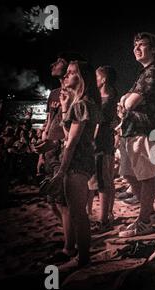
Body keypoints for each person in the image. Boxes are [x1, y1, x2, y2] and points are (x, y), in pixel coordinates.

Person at [117, 32, 155, 237]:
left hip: (146, 129)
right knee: (129, 173)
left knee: (146, 176)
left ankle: (145, 220)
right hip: (133, 129)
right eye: (134, 45)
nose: (136, 48)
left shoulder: (153, 71)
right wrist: (125, 101)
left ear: (154, 49)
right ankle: (150, 212)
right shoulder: (144, 73)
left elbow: (128, 103)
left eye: (141, 45)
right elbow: (125, 100)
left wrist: (126, 101)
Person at [51, 60, 101, 269]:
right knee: (75, 210)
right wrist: (64, 108)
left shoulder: (82, 104)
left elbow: (71, 142)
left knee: (78, 212)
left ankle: (82, 259)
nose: (66, 76)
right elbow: (67, 136)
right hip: (81, 159)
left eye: (71, 73)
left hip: (77, 161)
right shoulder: (83, 102)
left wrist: (61, 170)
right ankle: (80, 256)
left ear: (81, 78)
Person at [36, 52, 85, 265]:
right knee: (53, 202)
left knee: (63, 202)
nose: (53, 64)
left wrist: (55, 144)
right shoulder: (55, 93)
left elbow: (72, 130)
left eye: (58, 62)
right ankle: (72, 236)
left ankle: (70, 246)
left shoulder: (75, 94)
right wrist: (42, 151)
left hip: (61, 149)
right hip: (49, 149)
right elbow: (50, 121)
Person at [87, 66, 119, 232]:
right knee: (105, 181)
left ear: (104, 79)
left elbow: (98, 124)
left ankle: (102, 220)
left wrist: (90, 141)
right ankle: (107, 215)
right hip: (106, 144)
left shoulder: (105, 99)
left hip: (100, 145)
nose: (95, 80)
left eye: (97, 77)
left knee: (101, 183)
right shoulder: (111, 95)